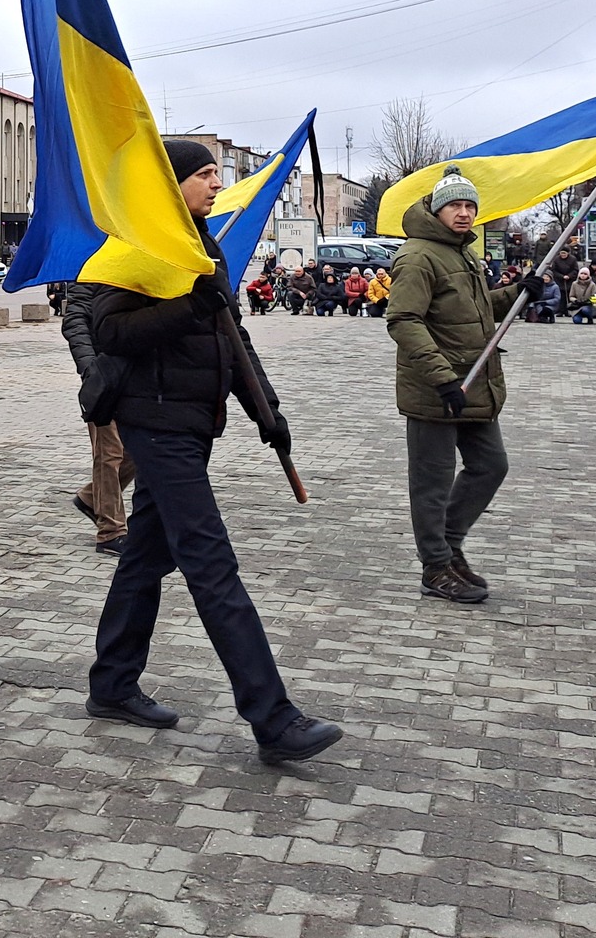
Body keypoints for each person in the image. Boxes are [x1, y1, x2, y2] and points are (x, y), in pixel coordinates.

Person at [82, 138, 340, 765]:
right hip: (155, 419)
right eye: (204, 175)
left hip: (195, 422)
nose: (216, 184)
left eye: (217, 174)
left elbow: (232, 337)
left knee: (146, 558)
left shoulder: (204, 244)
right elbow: (107, 330)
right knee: (210, 562)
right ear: (171, 184)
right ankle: (273, 718)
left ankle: (113, 685)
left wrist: (267, 412)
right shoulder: (140, 246)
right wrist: (186, 305)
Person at [385, 167, 540, 604]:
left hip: (474, 383)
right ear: (437, 209)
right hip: (437, 388)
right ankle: (435, 567)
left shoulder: (462, 254)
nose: (465, 213)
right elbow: (403, 320)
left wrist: (513, 293)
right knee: (431, 483)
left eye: (471, 205)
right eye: (456, 205)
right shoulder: (418, 256)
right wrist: (443, 378)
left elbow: (471, 312)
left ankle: (450, 547)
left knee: (491, 465)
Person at [61, 281, 133, 557]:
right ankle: (111, 531)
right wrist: (92, 370)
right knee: (110, 452)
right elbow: (75, 321)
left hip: (136, 375)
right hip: (103, 378)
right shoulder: (93, 269)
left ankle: (92, 498)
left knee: (138, 450)